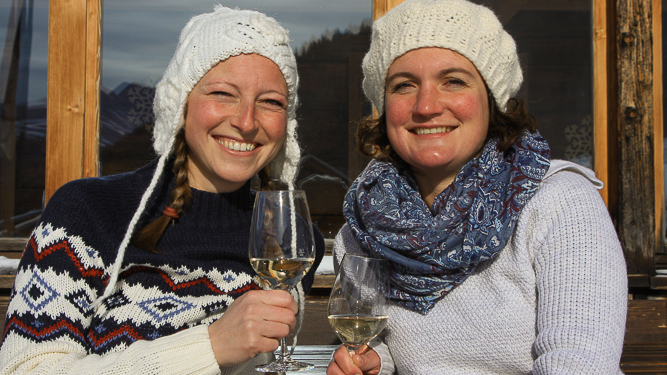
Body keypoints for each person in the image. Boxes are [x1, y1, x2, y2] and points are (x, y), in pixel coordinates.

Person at [0, 6, 324, 374]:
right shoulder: (89, 213)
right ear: (181, 104)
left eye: (270, 102)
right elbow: (24, 369)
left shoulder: (288, 240)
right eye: (222, 93)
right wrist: (212, 345)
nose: (246, 122)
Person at [327, 0, 627, 374]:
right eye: (404, 86)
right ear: (385, 108)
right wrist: (375, 364)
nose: (426, 106)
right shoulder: (364, 229)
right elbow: (392, 351)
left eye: (453, 81)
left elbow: (580, 365)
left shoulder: (558, 203)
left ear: (492, 99)